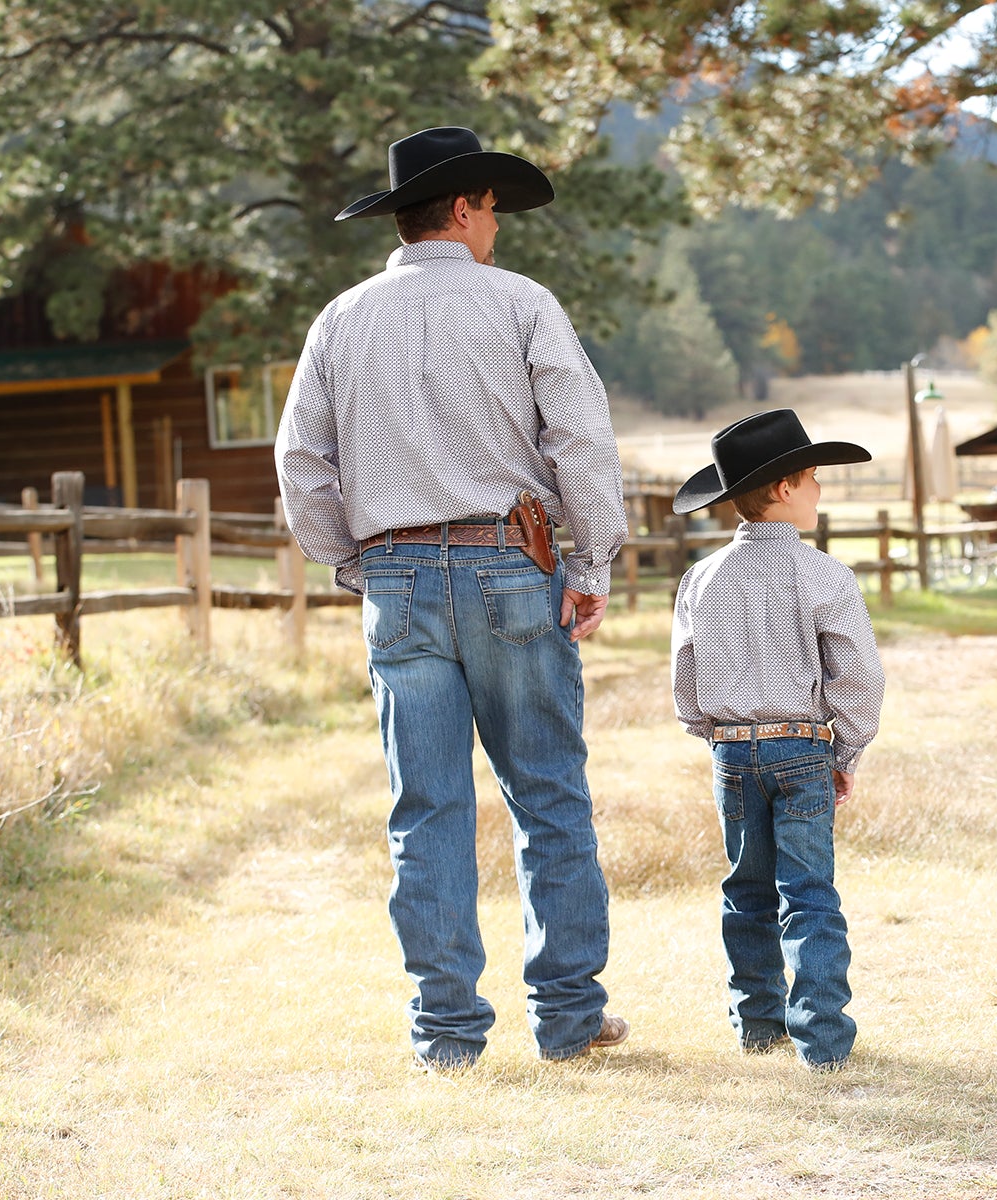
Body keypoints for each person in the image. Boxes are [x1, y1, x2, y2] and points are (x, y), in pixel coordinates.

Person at [275, 126, 628, 1069]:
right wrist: (589, 566)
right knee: (548, 796)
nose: (499, 227)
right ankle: (566, 1019)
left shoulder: (340, 320)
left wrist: (355, 566)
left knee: (424, 809)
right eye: (493, 209)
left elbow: (302, 463)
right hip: (513, 569)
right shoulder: (521, 305)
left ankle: (447, 1036)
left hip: (397, 582)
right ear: (464, 208)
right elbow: (581, 442)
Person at [669, 409, 886, 1070]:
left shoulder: (700, 579)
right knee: (809, 892)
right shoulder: (825, 576)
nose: (822, 490)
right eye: (816, 478)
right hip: (802, 748)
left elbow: (686, 678)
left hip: (732, 751)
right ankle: (820, 1039)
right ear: (786, 486)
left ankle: (758, 1025)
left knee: (747, 890)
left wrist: (717, 737)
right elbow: (860, 677)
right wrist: (844, 753)